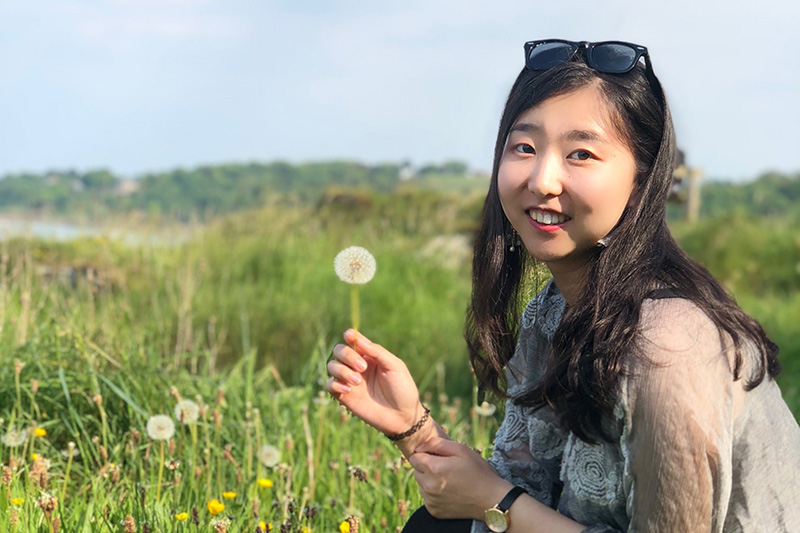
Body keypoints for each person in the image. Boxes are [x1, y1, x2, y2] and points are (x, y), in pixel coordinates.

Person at [326, 39, 800, 532]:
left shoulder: (669, 348)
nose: (542, 179)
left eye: (581, 154)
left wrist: (499, 503)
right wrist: (411, 427)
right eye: (524, 148)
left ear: (642, 179)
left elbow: (504, 505)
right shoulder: (555, 311)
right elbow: (505, 494)